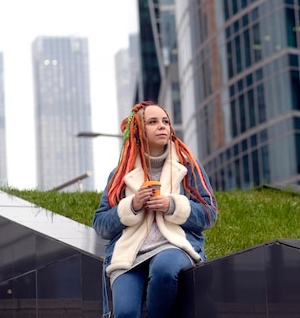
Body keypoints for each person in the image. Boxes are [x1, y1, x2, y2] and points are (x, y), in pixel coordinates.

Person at [93, 101, 218, 318]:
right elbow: (101, 224)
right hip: (129, 255)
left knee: (164, 269)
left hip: (173, 246)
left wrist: (172, 205)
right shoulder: (120, 174)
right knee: (124, 312)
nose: (162, 126)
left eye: (165, 121)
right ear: (139, 132)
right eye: (153, 122)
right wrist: (132, 205)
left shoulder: (188, 167)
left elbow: (209, 214)